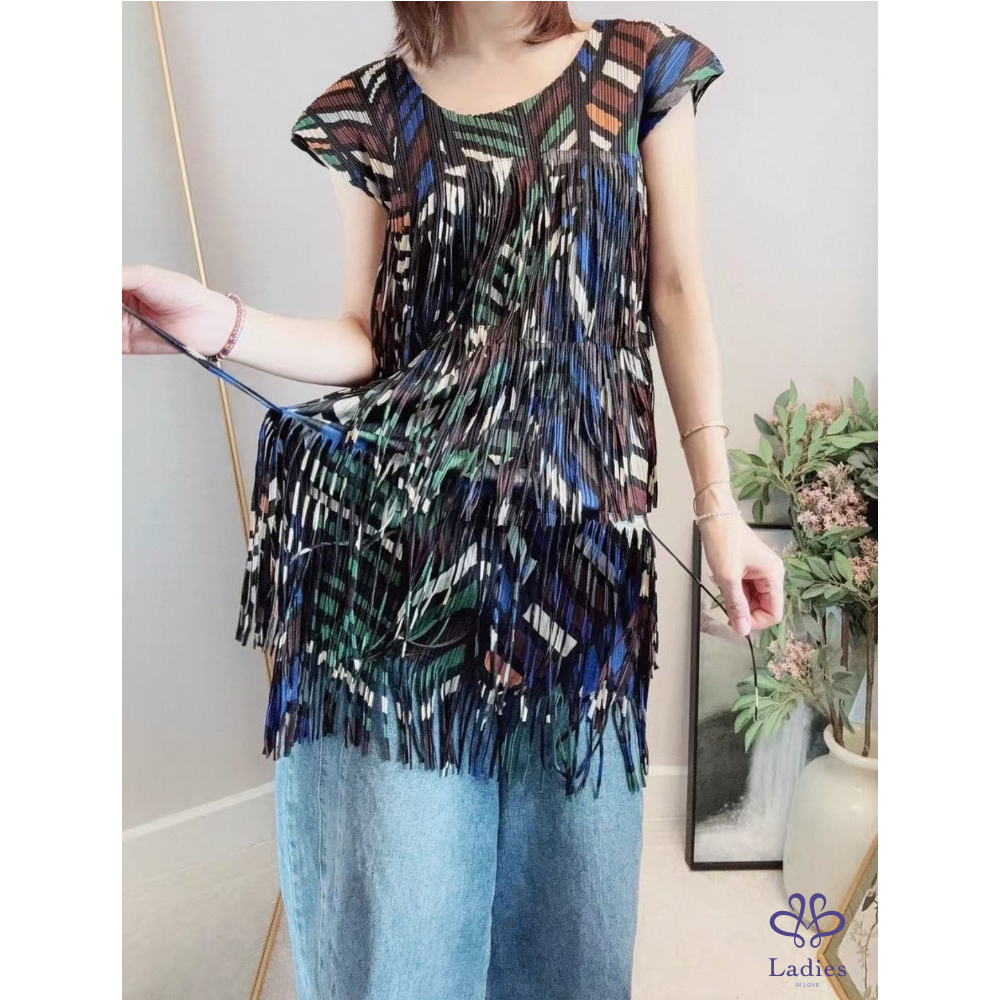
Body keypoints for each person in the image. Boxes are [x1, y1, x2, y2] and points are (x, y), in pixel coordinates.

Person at [122, 4, 784, 998]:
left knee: (568, 915)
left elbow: (676, 291)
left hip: (576, 564)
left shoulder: (636, 69)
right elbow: (365, 341)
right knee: (410, 918)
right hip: (401, 553)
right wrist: (217, 321)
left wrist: (719, 510)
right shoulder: (374, 110)